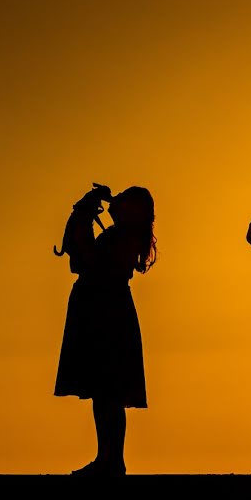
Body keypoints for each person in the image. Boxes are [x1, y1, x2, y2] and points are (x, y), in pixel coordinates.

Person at [54, 184, 157, 477]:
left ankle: (110, 461)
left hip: (105, 308)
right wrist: (82, 214)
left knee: (107, 389)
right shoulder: (121, 235)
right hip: (103, 306)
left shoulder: (122, 236)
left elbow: (87, 259)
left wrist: (83, 213)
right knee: (104, 391)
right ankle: (108, 459)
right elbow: (80, 258)